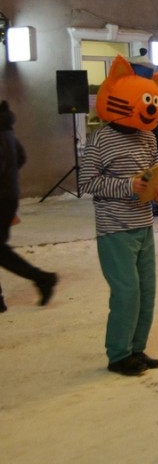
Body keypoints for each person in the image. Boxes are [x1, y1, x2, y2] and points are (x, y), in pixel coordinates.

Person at [80, 56, 158, 375]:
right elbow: (87, 182)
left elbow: (150, 174)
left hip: (143, 224)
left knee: (146, 291)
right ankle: (118, 354)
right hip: (114, 228)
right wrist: (127, 186)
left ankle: (137, 348)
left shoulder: (148, 137)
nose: (150, 107)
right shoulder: (100, 139)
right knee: (126, 293)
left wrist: (157, 189)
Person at [0, 101, 58, 312]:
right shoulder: (7, 131)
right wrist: (10, 179)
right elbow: (21, 157)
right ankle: (42, 279)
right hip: (8, 195)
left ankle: (42, 278)